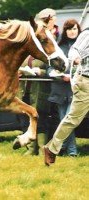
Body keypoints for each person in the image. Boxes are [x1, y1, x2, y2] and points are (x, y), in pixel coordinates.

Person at [44, 26, 89, 166]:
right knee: (73, 119)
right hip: (86, 81)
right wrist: (75, 58)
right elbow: (73, 50)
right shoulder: (87, 34)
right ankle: (52, 148)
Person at [20, 8, 60, 155]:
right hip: (26, 86)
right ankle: (30, 149)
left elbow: (54, 64)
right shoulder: (33, 39)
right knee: (26, 116)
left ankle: (43, 148)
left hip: (44, 87)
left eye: (47, 19)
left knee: (42, 116)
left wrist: (41, 72)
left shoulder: (55, 38)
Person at [47, 19, 81, 157]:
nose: (72, 31)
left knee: (68, 120)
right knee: (64, 121)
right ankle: (64, 148)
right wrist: (60, 76)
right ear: (65, 31)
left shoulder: (84, 46)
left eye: (75, 29)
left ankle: (70, 151)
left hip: (77, 89)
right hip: (60, 90)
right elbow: (50, 67)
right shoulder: (58, 47)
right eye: (69, 29)